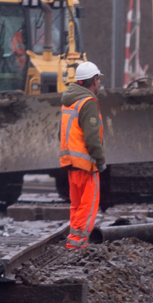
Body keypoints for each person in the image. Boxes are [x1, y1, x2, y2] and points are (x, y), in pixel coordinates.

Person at [60, 60, 106, 248]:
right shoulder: (88, 103)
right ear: (94, 81)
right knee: (88, 206)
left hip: (71, 162)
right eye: (98, 80)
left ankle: (73, 244)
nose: (99, 83)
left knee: (77, 206)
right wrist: (100, 160)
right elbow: (92, 138)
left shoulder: (68, 101)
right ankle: (78, 244)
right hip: (86, 164)